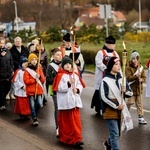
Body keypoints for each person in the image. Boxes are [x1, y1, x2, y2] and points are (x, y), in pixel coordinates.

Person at [100, 56, 133, 150]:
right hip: (110, 109)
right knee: (115, 134)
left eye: (119, 64)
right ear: (111, 66)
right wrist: (116, 106)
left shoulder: (122, 79)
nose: (119, 66)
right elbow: (104, 97)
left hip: (120, 109)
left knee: (117, 133)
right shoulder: (105, 80)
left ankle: (107, 143)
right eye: (116, 64)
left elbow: (130, 93)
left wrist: (125, 91)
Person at [52, 56, 86, 148]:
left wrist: (78, 89)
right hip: (65, 103)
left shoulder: (75, 74)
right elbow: (58, 88)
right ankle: (66, 138)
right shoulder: (60, 76)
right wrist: (68, 84)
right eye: (66, 64)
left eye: (69, 64)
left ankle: (77, 138)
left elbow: (80, 85)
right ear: (62, 66)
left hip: (74, 102)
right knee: (66, 123)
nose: (68, 66)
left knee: (76, 122)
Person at [91, 35, 120, 116]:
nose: (114, 46)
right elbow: (99, 63)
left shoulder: (115, 53)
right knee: (101, 92)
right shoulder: (100, 53)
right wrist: (107, 69)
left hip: (112, 76)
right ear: (108, 45)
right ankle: (99, 107)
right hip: (102, 76)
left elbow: (118, 63)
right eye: (113, 45)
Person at [23, 53, 45, 126]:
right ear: (29, 61)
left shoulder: (39, 69)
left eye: (35, 59)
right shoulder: (27, 71)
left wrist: (40, 77)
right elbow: (26, 81)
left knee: (39, 103)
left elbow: (43, 79)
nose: (34, 61)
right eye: (32, 60)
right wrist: (34, 80)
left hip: (38, 90)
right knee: (32, 105)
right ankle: (34, 118)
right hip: (30, 91)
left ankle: (34, 113)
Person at [126, 50, 147, 124]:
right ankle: (125, 114)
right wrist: (135, 76)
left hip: (139, 89)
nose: (135, 60)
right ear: (131, 59)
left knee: (139, 103)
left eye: (136, 58)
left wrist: (142, 79)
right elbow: (128, 78)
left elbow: (144, 77)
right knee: (130, 102)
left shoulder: (140, 67)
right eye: (133, 59)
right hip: (132, 89)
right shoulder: (128, 68)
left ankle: (140, 117)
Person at [46, 48, 62, 136]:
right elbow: (48, 79)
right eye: (57, 55)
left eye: (60, 54)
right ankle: (58, 127)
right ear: (53, 56)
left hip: (64, 90)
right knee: (57, 108)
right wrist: (58, 80)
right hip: (54, 90)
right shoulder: (50, 66)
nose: (60, 56)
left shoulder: (64, 64)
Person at [13, 56, 31, 120]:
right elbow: (16, 80)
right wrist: (22, 86)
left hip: (28, 89)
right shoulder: (19, 71)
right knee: (21, 103)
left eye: (26, 62)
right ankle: (22, 114)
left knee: (27, 103)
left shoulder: (30, 71)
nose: (25, 64)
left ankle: (27, 113)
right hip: (21, 90)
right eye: (23, 62)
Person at [0, 45, 14, 110]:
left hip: (8, 73)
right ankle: (2, 104)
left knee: (8, 87)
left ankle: (2, 101)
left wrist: (12, 69)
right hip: (1, 74)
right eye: (0, 43)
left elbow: (11, 60)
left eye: (3, 43)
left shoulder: (8, 51)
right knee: (1, 89)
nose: (1, 44)